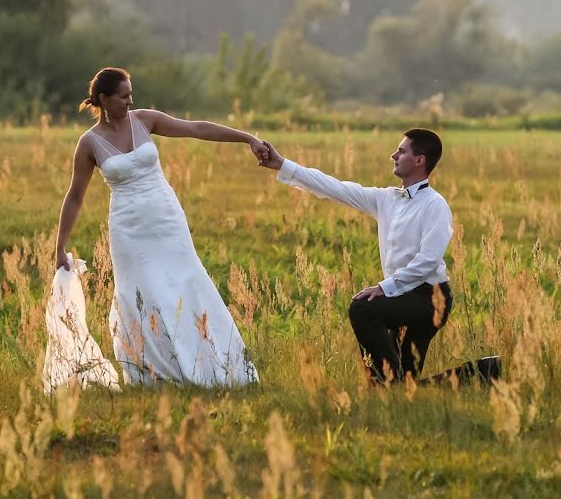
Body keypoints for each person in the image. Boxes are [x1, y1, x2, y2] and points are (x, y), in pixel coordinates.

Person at [54, 67, 263, 387]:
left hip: (166, 217)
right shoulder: (89, 144)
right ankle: (155, 372)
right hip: (128, 227)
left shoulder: (145, 119)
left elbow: (196, 128)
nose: (130, 101)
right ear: (103, 99)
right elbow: (75, 197)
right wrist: (59, 246)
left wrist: (247, 138)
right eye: (123, 96)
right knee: (143, 292)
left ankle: (210, 360)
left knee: (184, 281)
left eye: (131, 95)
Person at [258, 130, 453, 383]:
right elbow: (335, 188)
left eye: (401, 151)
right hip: (403, 294)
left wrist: (385, 287)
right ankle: (485, 371)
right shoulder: (386, 199)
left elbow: (428, 260)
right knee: (410, 383)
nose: (393, 155)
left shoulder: (435, 204)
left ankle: (384, 382)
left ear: (419, 160)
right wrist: (282, 164)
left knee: (364, 308)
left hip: (430, 297)